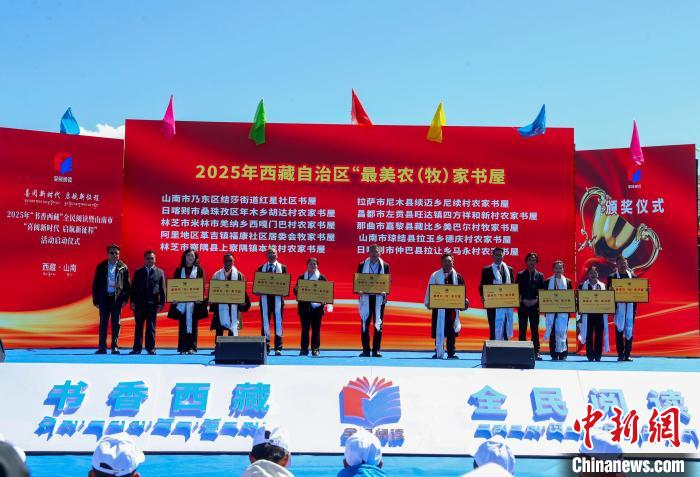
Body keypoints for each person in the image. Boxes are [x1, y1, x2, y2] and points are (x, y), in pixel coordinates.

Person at [424, 253, 469, 359]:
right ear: (441, 263)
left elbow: (462, 293)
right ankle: (438, 351)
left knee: (451, 331)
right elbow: (430, 290)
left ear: (453, 262)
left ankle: (451, 352)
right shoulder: (435, 275)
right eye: (445, 261)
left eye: (449, 261)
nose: (447, 263)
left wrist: (464, 303)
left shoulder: (458, 276)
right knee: (439, 329)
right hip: (439, 308)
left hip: (452, 309)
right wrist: (428, 302)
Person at [167, 248, 208, 354]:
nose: (190, 257)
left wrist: (199, 297)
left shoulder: (199, 270)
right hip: (181, 302)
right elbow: (174, 286)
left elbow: (202, 285)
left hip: (194, 303)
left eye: (192, 256)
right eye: (188, 255)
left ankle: (192, 348)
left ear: (195, 258)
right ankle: (182, 348)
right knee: (182, 325)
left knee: (193, 325)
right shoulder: (179, 270)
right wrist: (174, 298)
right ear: (184, 257)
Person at [92, 244, 131, 355]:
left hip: (117, 299)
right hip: (104, 299)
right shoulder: (101, 266)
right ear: (107, 254)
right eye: (112, 253)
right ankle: (102, 347)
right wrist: (96, 300)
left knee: (116, 324)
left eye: (116, 253)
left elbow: (127, 285)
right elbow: (95, 284)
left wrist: (125, 299)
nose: (114, 255)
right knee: (103, 323)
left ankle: (115, 347)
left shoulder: (123, 267)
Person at [129, 250, 166, 355]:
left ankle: (151, 348)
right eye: (148, 258)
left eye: (152, 258)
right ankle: (137, 348)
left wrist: (161, 303)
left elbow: (163, 289)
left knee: (151, 327)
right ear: (144, 259)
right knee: (139, 327)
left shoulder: (160, 272)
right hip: (139, 304)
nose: (150, 260)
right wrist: (132, 302)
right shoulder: (138, 272)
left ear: (155, 259)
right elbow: (133, 288)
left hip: (152, 304)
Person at [209, 254, 251, 346]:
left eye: (230, 260)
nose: (228, 262)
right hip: (220, 305)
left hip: (234, 306)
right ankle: (218, 347)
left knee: (232, 327)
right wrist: (211, 300)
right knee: (219, 329)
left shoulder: (239, 275)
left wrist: (244, 302)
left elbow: (242, 291)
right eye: (226, 260)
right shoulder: (217, 275)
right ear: (223, 261)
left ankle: (231, 347)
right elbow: (212, 290)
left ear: (233, 261)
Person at [356, 244, 390, 357]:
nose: (374, 254)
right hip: (366, 298)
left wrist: (385, 290)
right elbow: (358, 281)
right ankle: (366, 350)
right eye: (372, 252)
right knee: (365, 324)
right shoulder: (362, 265)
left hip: (379, 298)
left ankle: (376, 350)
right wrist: (359, 290)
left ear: (380, 253)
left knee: (378, 324)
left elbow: (387, 281)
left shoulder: (385, 266)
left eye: (376, 252)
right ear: (369, 253)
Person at [256, 247, 289, 355]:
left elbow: (285, 284)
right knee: (265, 322)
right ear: (266, 255)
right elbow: (258, 285)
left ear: (277, 255)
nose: (271, 255)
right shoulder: (261, 268)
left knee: (278, 322)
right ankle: (265, 346)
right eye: (269, 253)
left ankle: (278, 347)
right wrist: (257, 291)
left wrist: (284, 290)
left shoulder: (283, 268)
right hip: (265, 300)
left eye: (273, 253)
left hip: (278, 300)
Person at [293, 257, 328, 356]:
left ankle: (315, 349)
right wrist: (296, 289)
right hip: (304, 308)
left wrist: (325, 300)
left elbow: (327, 292)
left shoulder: (322, 278)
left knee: (316, 330)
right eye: (310, 264)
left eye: (314, 264)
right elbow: (296, 292)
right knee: (305, 329)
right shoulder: (301, 277)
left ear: (317, 266)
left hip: (317, 308)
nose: (312, 266)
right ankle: (304, 349)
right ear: (307, 265)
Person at [478, 248, 515, 341]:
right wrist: (483, 297)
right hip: (492, 303)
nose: (498, 257)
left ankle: (505, 346)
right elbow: (482, 286)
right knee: (493, 325)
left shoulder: (509, 269)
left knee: (506, 325)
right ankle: (493, 347)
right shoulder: (487, 270)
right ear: (493, 256)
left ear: (503, 256)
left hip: (506, 303)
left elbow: (513, 286)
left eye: (500, 255)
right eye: (496, 255)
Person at [608, 255, 638, 362]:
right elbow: (608, 294)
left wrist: (645, 291)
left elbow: (637, 293)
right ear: (616, 264)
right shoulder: (612, 277)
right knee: (619, 331)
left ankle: (628, 354)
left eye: (624, 263)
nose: (622, 265)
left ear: (627, 264)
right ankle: (620, 354)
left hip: (630, 308)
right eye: (620, 263)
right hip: (618, 309)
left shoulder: (633, 277)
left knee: (629, 330)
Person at [516, 252, 545, 359]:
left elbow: (542, 291)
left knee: (534, 330)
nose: (531, 262)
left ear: (536, 262)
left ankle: (536, 351)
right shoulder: (520, 275)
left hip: (534, 306)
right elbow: (516, 290)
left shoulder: (540, 276)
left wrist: (535, 300)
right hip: (523, 306)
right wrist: (523, 300)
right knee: (522, 329)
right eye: (530, 260)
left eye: (534, 260)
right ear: (526, 261)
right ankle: (521, 351)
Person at [578, 265, 610, 362]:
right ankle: (590, 355)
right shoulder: (582, 285)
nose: (593, 275)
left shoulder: (603, 286)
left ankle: (598, 355)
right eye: (591, 273)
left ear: (598, 274)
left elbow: (607, 299)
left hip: (599, 314)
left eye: (595, 273)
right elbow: (578, 299)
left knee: (599, 335)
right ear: (588, 274)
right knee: (588, 335)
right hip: (588, 314)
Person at [542, 260, 573, 360]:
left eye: (560, 268)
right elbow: (544, 297)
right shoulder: (547, 282)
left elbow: (571, 297)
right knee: (552, 331)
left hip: (563, 312)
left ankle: (563, 353)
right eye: (556, 268)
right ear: (553, 269)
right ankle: (554, 354)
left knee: (562, 331)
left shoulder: (568, 282)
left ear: (563, 269)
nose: (558, 269)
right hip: (551, 311)